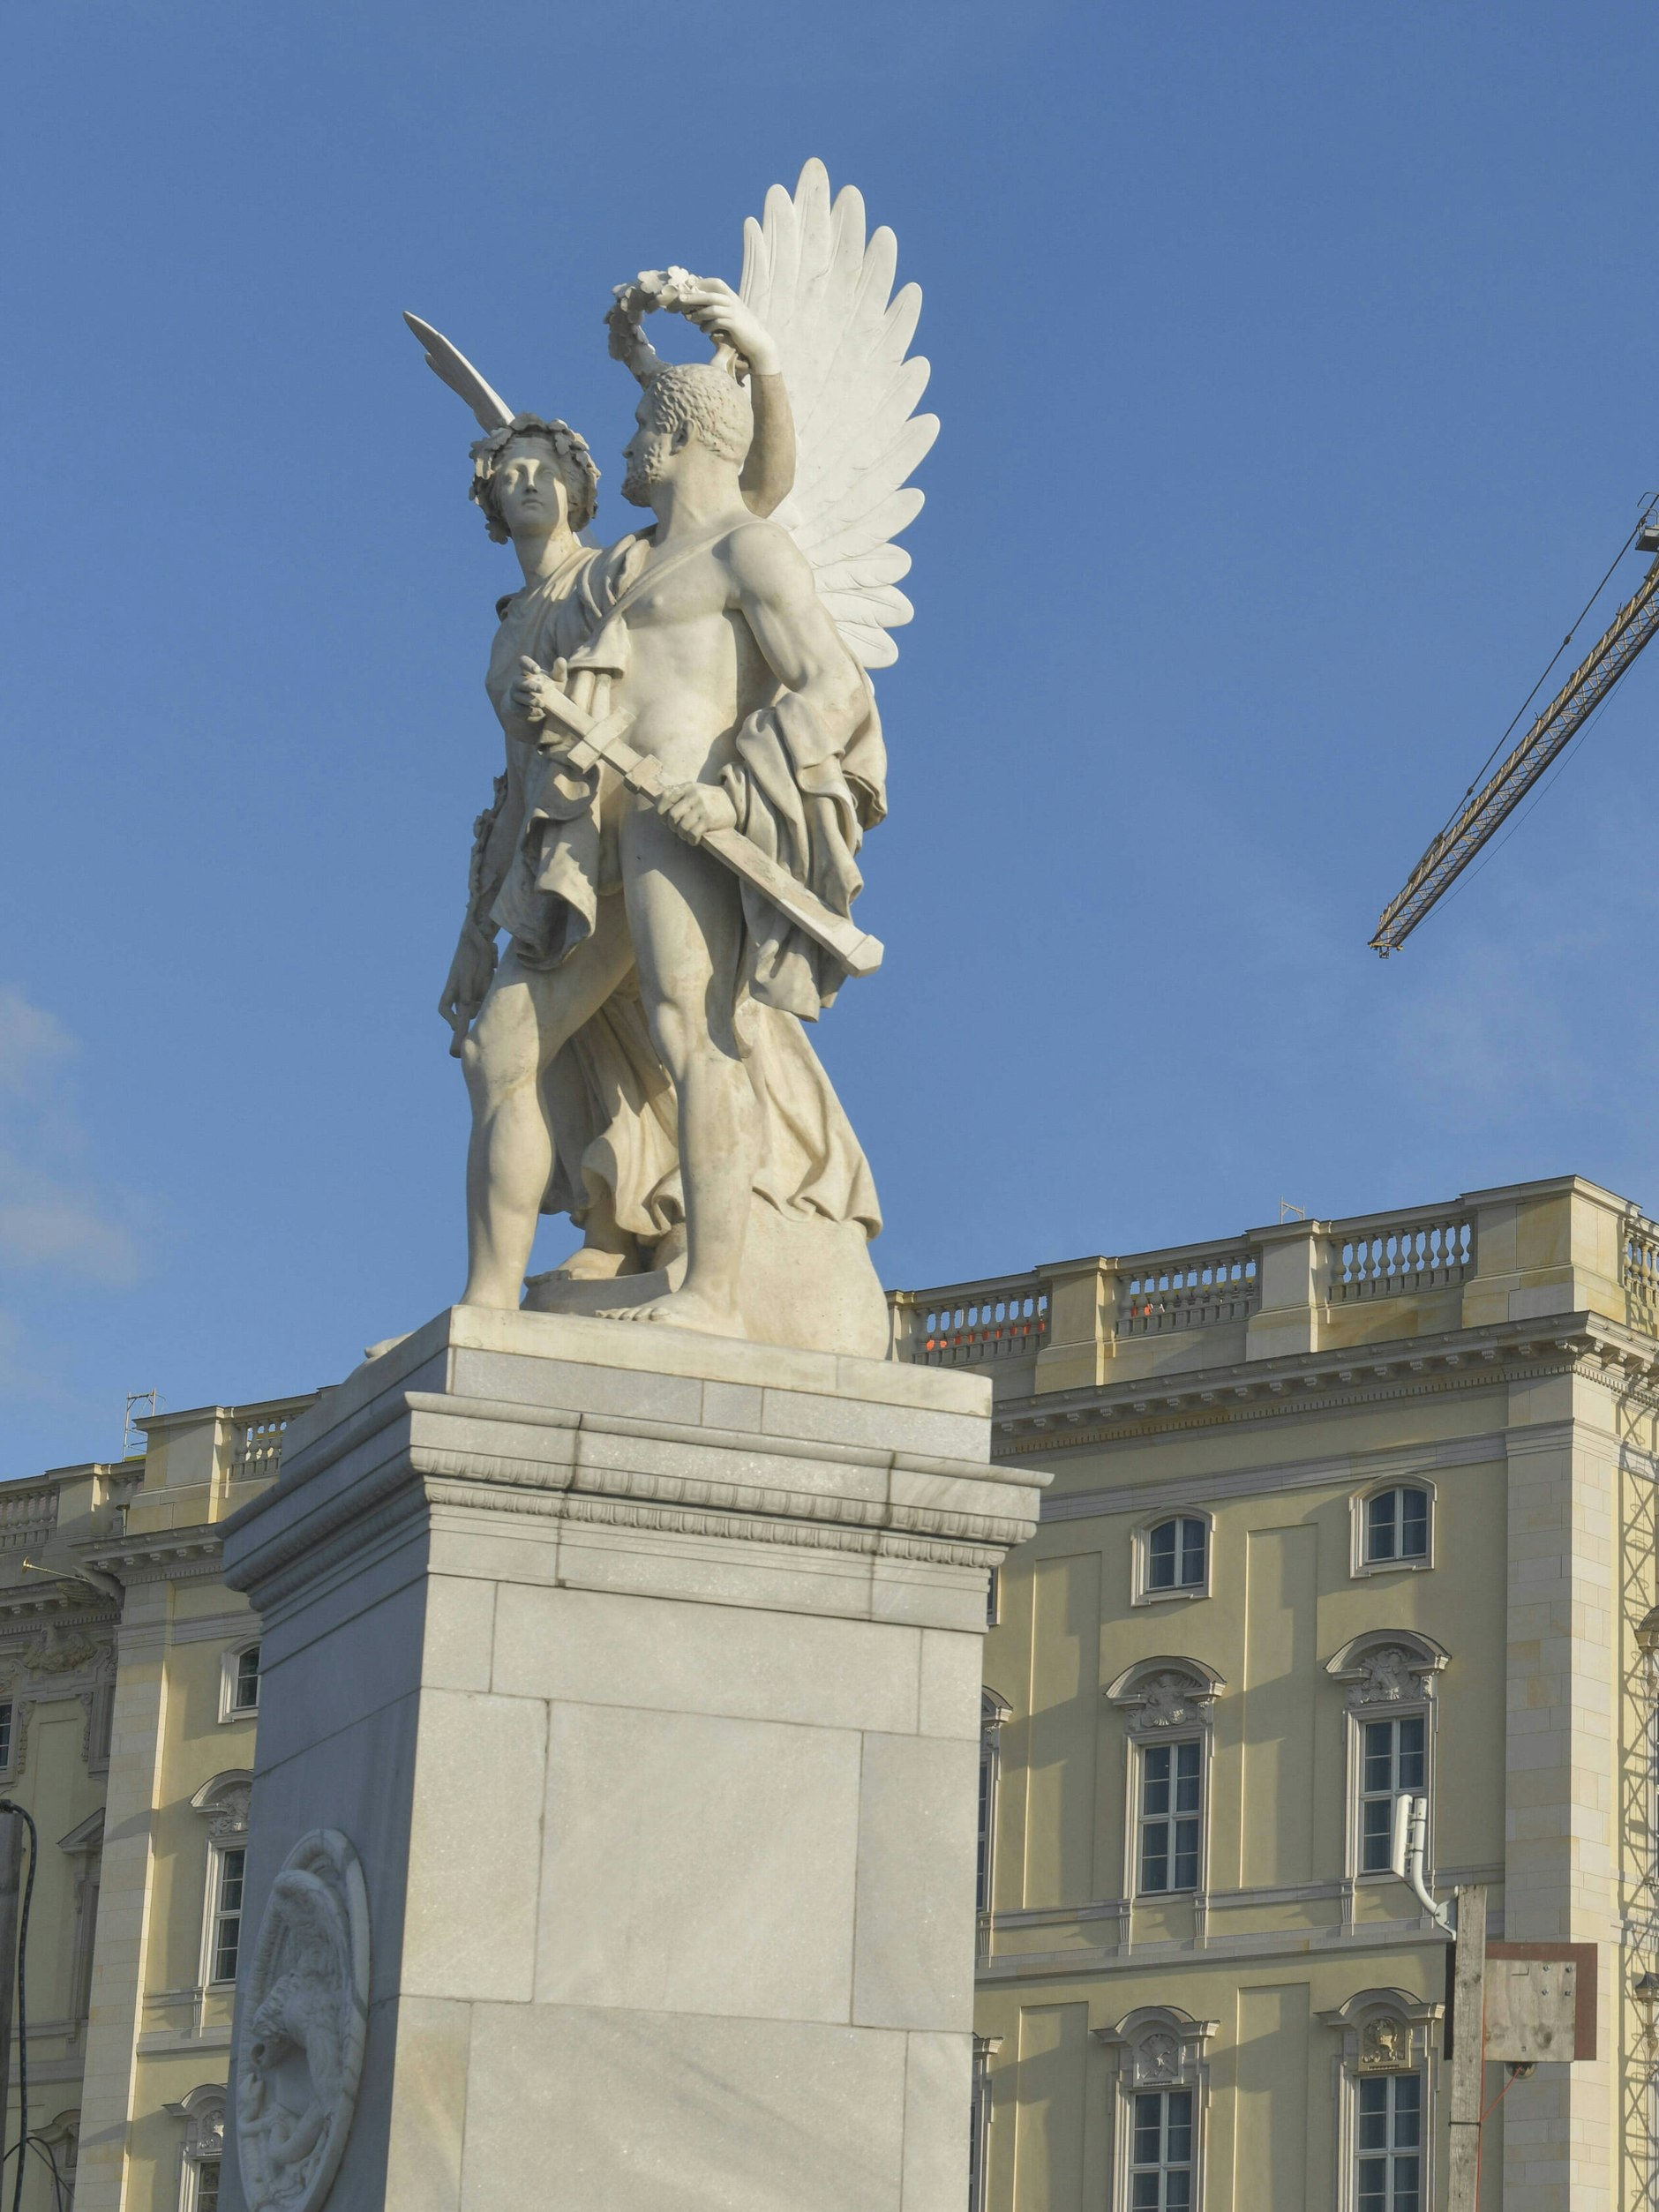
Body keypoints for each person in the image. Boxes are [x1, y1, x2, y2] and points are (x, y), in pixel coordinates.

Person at [446, 289, 879, 1323]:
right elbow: (687, 445)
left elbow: (831, 686)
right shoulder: (628, 566)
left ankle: (713, 1291)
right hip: (592, 832)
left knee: (696, 1033)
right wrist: (639, 352)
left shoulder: (748, 549)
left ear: (680, 438)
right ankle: (490, 1302)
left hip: (684, 821)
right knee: (496, 1050)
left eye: (643, 424)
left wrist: (734, 795)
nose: (626, 442)